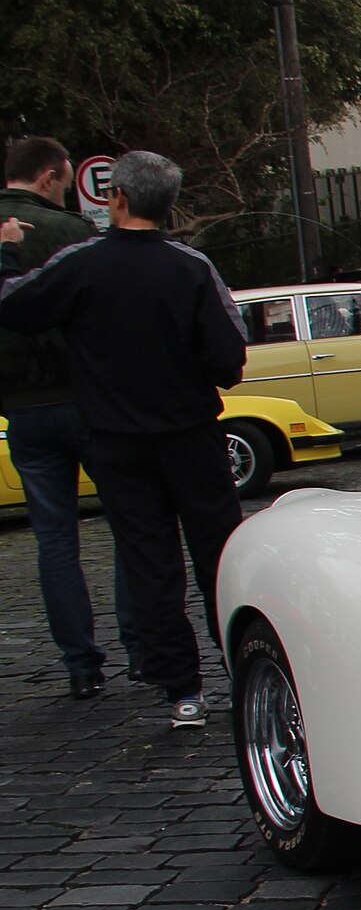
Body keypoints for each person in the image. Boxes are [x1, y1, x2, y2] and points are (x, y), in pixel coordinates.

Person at [0, 151, 247, 730]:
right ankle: (241, 664)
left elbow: (15, 304)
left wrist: (7, 249)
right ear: (169, 204)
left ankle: (181, 689)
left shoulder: (82, 263)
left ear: (117, 198)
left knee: (148, 561)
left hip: (116, 438)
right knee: (220, 552)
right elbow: (229, 358)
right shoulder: (191, 267)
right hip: (190, 431)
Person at [0, 138, 118, 698]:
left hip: (21, 404)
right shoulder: (73, 235)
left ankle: (81, 663)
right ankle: (142, 647)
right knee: (128, 524)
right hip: (83, 395)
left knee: (54, 538)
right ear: (49, 178)